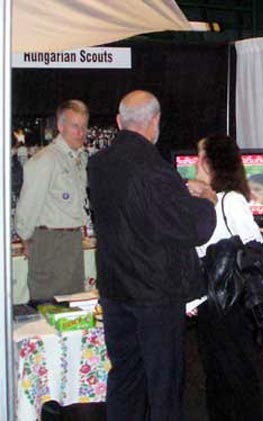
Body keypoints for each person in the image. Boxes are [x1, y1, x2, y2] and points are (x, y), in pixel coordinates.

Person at [87, 90, 216, 421]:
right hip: (154, 294)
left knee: (125, 377)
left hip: (115, 288)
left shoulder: (98, 164)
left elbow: (138, 214)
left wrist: (177, 193)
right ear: (155, 121)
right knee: (164, 385)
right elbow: (193, 228)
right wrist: (205, 201)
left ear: (119, 122)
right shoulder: (154, 170)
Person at [187, 134, 263, 421]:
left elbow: (253, 248)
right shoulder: (205, 201)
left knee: (236, 376)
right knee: (217, 377)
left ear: (210, 162)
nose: (195, 162)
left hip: (229, 304)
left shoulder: (230, 201)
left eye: (199, 155)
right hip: (210, 303)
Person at [15, 100, 89, 301]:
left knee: (75, 307)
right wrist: (25, 237)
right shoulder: (46, 160)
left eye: (84, 126)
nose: (80, 132)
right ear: (60, 126)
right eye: (75, 126)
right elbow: (28, 206)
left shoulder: (78, 158)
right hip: (50, 243)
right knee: (49, 307)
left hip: (72, 242)